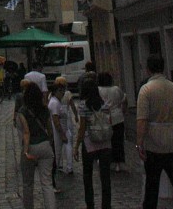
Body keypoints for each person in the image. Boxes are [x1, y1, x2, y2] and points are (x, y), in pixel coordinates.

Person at [136, 53, 173, 209]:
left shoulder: (146, 90)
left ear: (148, 69)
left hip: (154, 145)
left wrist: (139, 143)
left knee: (152, 186)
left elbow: (142, 119)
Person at [74, 76, 113, 209]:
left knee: (88, 176)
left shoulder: (84, 106)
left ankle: (90, 204)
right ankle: (106, 205)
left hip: (89, 144)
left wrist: (76, 146)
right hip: (105, 143)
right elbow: (109, 122)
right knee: (105, 178)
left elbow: (82, 128)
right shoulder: (105, 105)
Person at [16, 82, 56, 209]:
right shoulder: (45, 109)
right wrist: (50, 143)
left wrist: (25, 151)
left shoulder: (23, 111)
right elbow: (50, 130)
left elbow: (26, 132)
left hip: (31, 147)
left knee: (28, 184)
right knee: (47, 183)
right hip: (45, 146)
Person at [97, 70, 128, 171]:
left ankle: (110, 162)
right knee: (118, 141)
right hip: (118, 117)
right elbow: (124, 100)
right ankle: (120, 162)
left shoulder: (98, 90)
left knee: (106, 141)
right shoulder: (116, 89)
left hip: (104, 119)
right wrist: (123, 111)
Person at [49, 78, 72, 175]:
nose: (62, 93)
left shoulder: (56, 101)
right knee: (57, 154)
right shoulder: (54, 103)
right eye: (60, 91)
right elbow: (56, 121)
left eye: (63, 90)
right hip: (58, 133)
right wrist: (62, 134)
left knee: (60, 152)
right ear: (55, 92)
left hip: (62, 130)